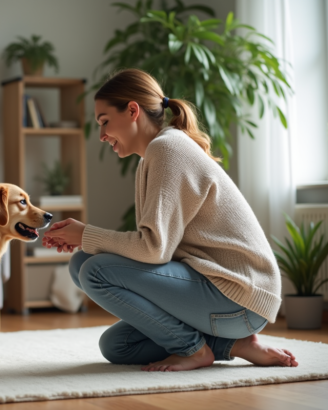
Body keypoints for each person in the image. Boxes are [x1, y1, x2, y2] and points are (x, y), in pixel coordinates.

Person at [42, 68, 298, 372]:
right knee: (115, 342)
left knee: (93, 270)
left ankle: (192, 349)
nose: (101, 136)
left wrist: (87, 235)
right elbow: (158, 248)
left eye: (104, 122)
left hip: (239, 299)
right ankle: (233, 345)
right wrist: (85, 241)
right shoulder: (156, 153)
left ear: (132, 111)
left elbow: (154, 250)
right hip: (219, 292)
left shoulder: (167, 149)